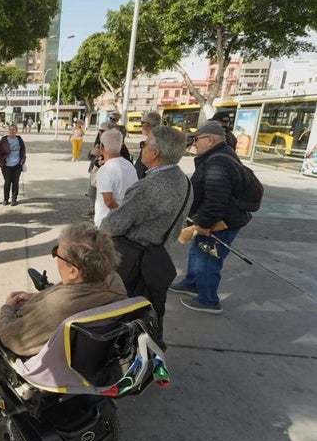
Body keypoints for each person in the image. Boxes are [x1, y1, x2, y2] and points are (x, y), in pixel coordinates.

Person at [100, 126, 192, 340]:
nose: (142, 148)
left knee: (126, 313)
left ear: (155, 152)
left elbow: (111, 226)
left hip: (134, 263)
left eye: (144, 143)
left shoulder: (149, 187)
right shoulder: (185, 181)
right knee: (149, 311)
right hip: (159, 257)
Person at [0, 223, 127, 356]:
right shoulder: (114, 280)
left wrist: (7, 308)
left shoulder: (57, 306)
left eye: (56, 252)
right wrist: (36, 298)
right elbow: (73, 293)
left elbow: (10, 337)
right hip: (96, 354)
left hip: (47, 362)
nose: (55, 256)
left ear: (73, 272)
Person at [169, 121, 252, 314]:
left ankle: (208, 300)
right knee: (197, 253)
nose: (195, 143)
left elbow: (216, 200)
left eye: (198, 139)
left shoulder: (218, 162)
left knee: (208, 259)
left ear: (210, 140)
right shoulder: (217, 156)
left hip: (219, 223)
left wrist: (203, 224)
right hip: (215, 219)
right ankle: (192, 283)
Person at [94, 129, 138, 227]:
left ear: (101, 147)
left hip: (107, 222)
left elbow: (109, 202)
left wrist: (122, 214)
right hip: (126, 223)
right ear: (121, 146)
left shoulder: (105, 170)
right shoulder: (129, 166)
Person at [0, 124, 27, 206]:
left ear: (16, 131)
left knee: (15, 182)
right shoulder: (4, 140)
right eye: (10, 129)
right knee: (7, 182)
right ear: (8, 131)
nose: (11, 131)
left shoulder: (19, 140)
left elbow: (23, 151)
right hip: (6, 166)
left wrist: (22, 160)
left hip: (17, 165)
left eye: (13, 129)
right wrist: (1, 162)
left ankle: (14, 199)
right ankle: (5, 199)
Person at [133, 111, 162, 179]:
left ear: (147, 124)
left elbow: (143, 167)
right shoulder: (158, 138)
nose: (141, 125)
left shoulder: (154, 141)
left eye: (142, 123)